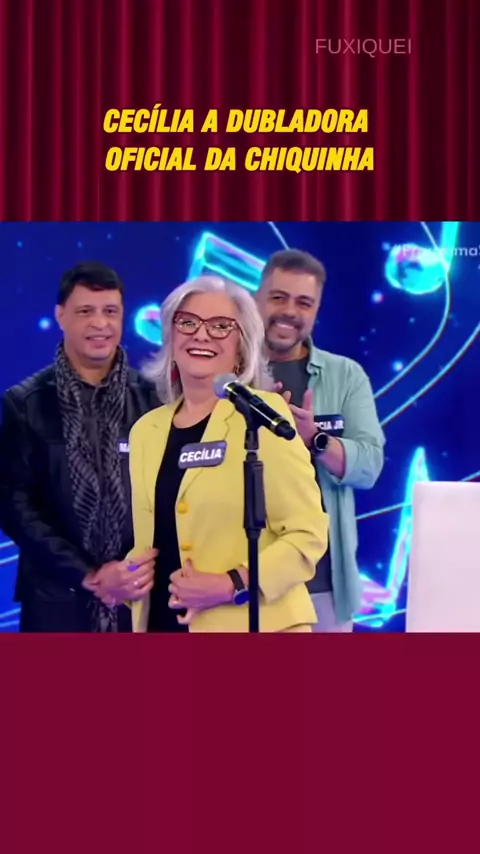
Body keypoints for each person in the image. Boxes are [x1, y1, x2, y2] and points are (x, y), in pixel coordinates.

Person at [127, 274, 329, 633]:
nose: (201, 335)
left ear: (242, 347)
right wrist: (129, 573)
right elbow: (157, 535)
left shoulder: (262, 416)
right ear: (171, 337)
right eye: (188, 322)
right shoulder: (146, 431)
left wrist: (231, 584)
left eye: (220, 326)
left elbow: (307, 534)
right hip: (163, 624)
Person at [0, 261, 159, 632]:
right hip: (55, 598)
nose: (100, 324)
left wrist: (132, 570)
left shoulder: (154, 400)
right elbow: (14, 506)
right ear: (61, 315)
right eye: (86, 311)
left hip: (138, 593)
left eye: (110, 312)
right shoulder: (25, 404)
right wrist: (89, 574)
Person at [256, 249, 385, 633]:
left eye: (303, 302)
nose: (289, 311)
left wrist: (317, 440)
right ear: (256, 298)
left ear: (316, 310)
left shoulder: (346, 376)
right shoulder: (228, 375)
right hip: (242, 581)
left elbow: (370, 466)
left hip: (323, 588)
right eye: (278, 297)